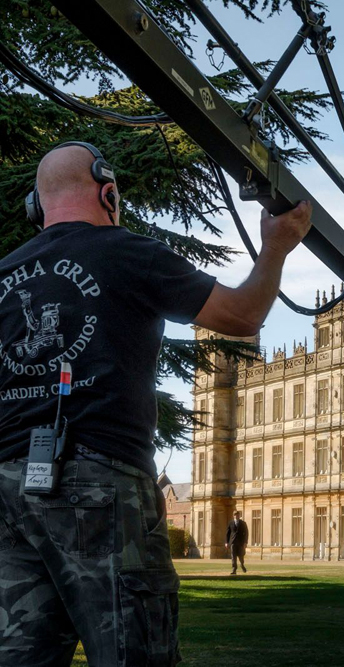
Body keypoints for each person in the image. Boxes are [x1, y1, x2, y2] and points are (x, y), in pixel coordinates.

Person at [0, 142, 312, 666]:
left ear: (37, 205)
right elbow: (241, 317)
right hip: (101, 480)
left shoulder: (4, 273)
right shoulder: (126, 251)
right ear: (109, 190)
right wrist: (276, 247)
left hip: (8, 489)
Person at [226, 510, 249, 575]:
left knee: (241, 555)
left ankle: (242, 564)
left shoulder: (243, 523)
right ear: (233, 516)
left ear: (239, 515)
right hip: (233, 542)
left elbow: (246, 533)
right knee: (233, 556)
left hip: (240, 542)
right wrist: (226, 542)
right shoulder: (230, 523)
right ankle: (234, 568)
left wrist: (245, 542)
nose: (236, 516)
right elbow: (228, 533)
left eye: (237, 515)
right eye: (235, 515)